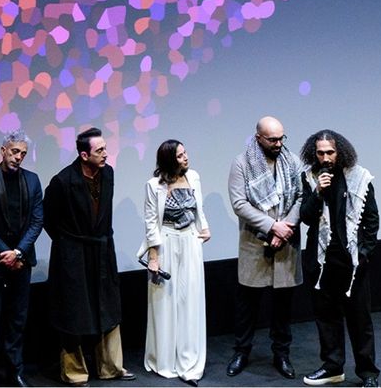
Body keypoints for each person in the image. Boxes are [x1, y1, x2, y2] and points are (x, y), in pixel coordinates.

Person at [43, 127, 136, 387]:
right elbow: (49, 218)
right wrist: (69, 246)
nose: (106, 153)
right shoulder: (63, 181)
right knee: (73, 312)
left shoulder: (108, 173)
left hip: (102, 250)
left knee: (108, 307)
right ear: (84, 155)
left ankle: (111, 366)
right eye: (100, 150)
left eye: (106, 148)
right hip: (73, 254)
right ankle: (74, 371)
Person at [298, 130, 380, 388]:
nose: (325, 158)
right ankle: (333, 367)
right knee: (326, 317)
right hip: (321, 260)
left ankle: (368, 373)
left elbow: (371, 219)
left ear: (340, 152)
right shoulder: (309, 178)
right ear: (314, 154)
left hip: (352, 261)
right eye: (320, 153)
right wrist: (317, 193)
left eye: (330, 152)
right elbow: (305, 217)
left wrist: (365, 253)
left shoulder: (359, 177)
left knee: (360, 319)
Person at [225, 116, 304, 379]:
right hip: (255, 243)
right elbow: (239, 204)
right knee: (247, 305)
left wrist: (285, 227)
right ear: (258, 137)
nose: (278, 144)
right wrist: (272, 226)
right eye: (272, 139)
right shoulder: (242, 163)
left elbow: (302, 196)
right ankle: (241, 352)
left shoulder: (292, 161)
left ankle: (281, 354)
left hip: (286, 243)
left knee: (283, 306)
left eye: (281, 138)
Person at [0, 130, 43, 387]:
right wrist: (6, 253)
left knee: (17, 319)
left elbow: (37, 221)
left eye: (23, 153)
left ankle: (15, 371)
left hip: (22, 261)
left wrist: (19, 252)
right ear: (3, 151)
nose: (18, 157)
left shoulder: (32, 180)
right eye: (14, 152)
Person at [137, 140, 211, 387]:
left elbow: (199, 207)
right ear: (169, 160)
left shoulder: (194, 177)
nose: (185, 157)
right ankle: (165, 359)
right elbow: (151, 221)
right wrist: (154, 257)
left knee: (190, 299)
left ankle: (189, 361)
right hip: (166, 242)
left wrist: (204, 228)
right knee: (165, 302)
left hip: (190, 241)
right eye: (180, 156)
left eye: (185, 153)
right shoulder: (154, 185)